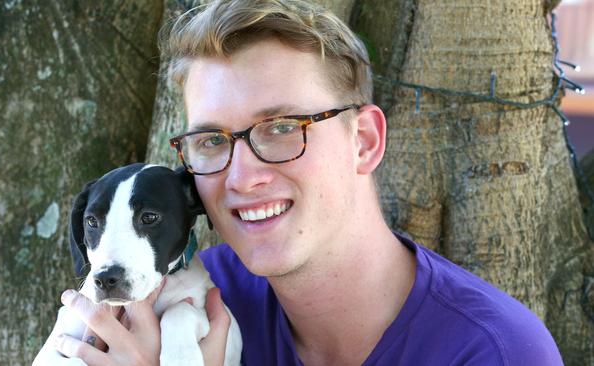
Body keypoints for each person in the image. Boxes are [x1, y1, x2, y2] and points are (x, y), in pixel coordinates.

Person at [53, 0, 564, 365]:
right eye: (211, 140)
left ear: (363, 140)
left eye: (280, 128)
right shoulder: (187, 297)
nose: (244, 177)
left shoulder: (493, 350)